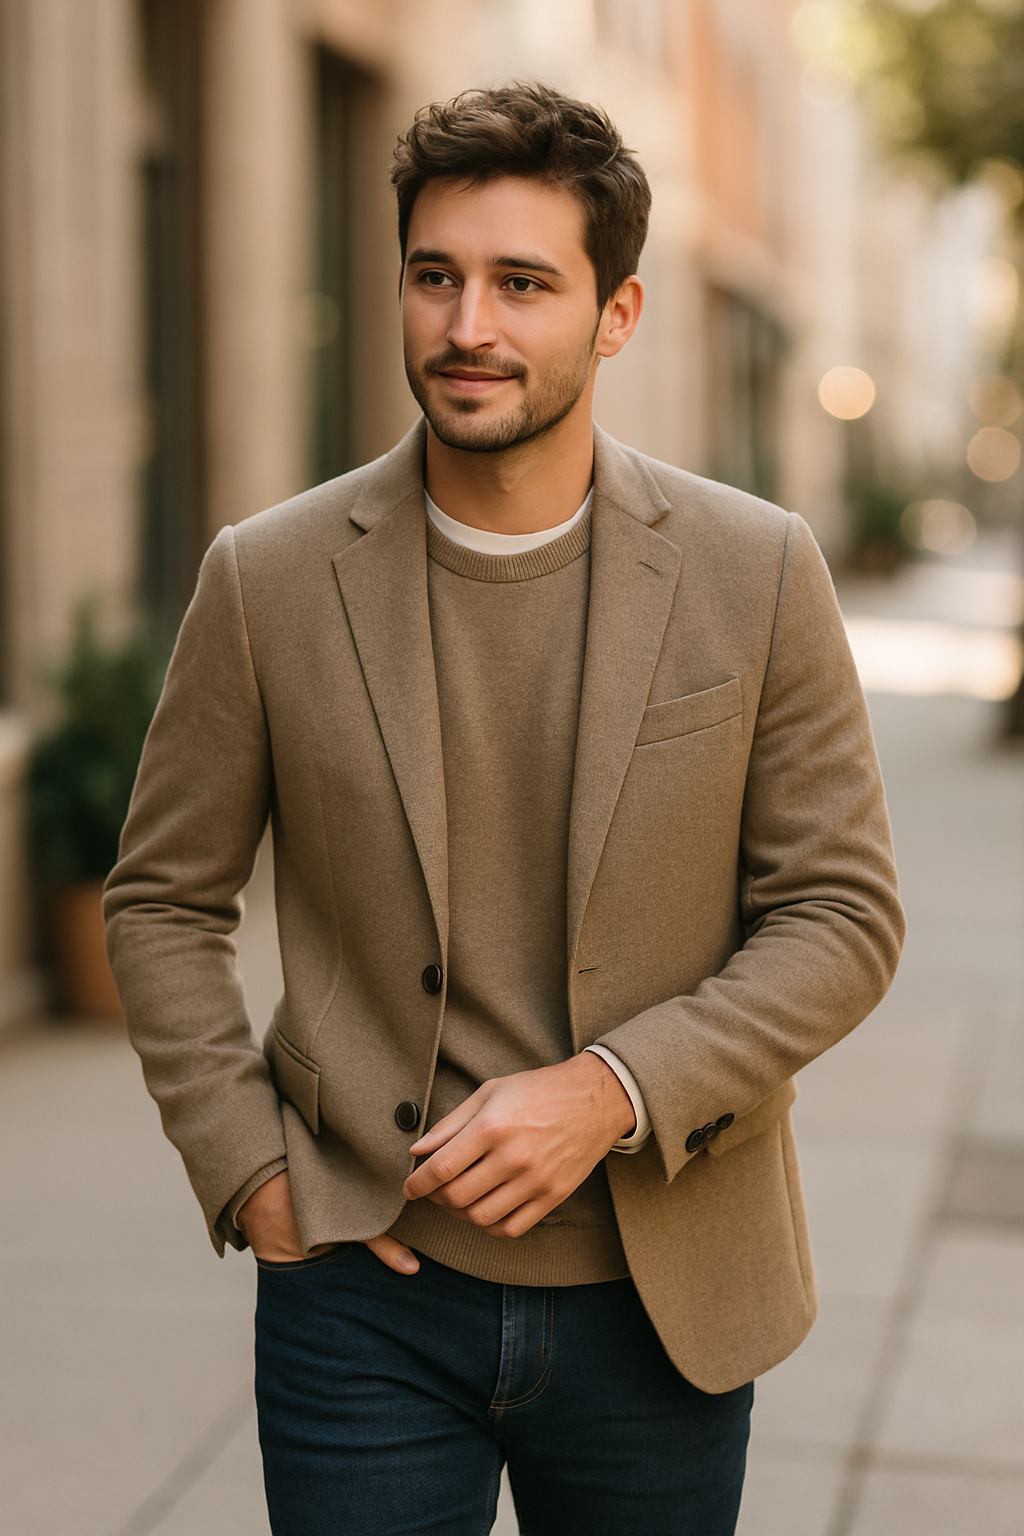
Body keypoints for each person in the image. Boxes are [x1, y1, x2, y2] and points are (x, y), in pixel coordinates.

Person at [105, 82, 904, 1536]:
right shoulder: (267, 579)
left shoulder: (758, 569)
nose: (468, 324)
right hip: (364, 1295)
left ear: (617, 314)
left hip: (663, 1294)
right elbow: (162, 898)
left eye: (522, 283)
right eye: (436, 276)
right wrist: (244, 1168)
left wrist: (614, 1089)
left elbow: (843, 916)